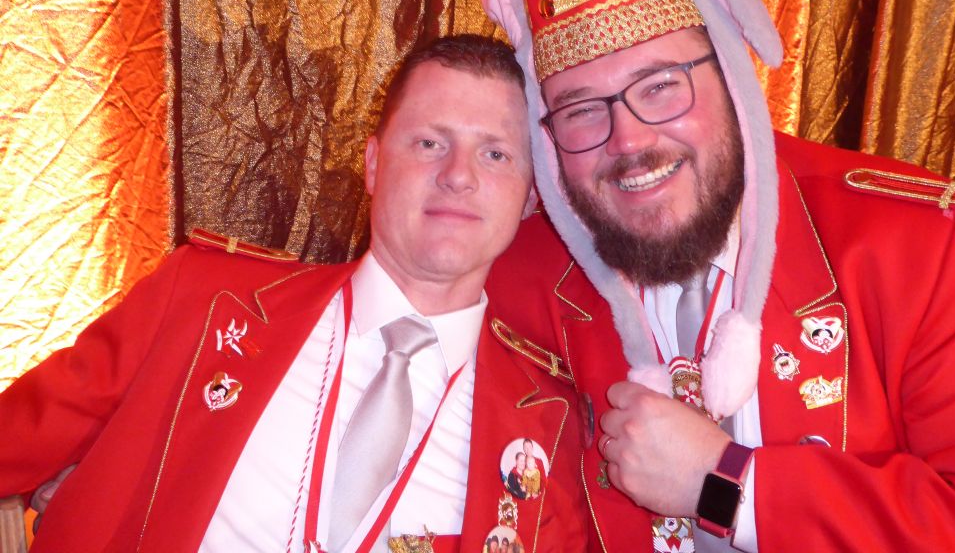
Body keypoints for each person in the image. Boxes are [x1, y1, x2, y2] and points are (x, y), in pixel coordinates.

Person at [482, 0, 955, 551]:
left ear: (732, 81)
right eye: (582, 110)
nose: (630, 141)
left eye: (661, 86)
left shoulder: (919, 249)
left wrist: (726, 486)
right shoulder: (514, 279)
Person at [0, 35, 589, 552]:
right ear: (373, 164)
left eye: (495, 154)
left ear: (530, 196)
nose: (458, 175)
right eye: (429, 143)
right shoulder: (202, 298)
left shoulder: (553, 426)